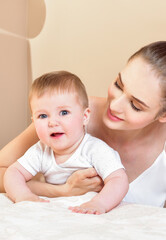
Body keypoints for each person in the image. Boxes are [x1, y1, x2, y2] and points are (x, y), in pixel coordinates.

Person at [0, 41, 166, 207]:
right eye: (118, 85)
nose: (114, 106)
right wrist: (62, 190)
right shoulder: (66, 115)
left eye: (135, 106)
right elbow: (6, 171)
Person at [4, 71, 128, 215]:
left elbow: (119, 179)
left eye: (63, 112)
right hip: (57, 212)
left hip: (89, 212)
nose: (52, 122)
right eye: (43, 116)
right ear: (33, 121)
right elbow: (13, 172)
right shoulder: (40, 151)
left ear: (85, 116)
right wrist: (23, 195)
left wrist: (100, 203)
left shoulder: (94, 149)